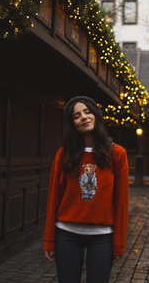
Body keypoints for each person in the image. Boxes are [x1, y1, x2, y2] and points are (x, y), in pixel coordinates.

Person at [43, 96, 129, 283]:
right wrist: (49, 239)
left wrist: (119, 243)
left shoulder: (117, 154)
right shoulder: (64, 153)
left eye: (87, 112)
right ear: (72, 124)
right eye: (76, 115)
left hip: (102, 237)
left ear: (96, 115)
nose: (83, 117)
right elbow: (53, 197)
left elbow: (122, 201)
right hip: (66, 235)